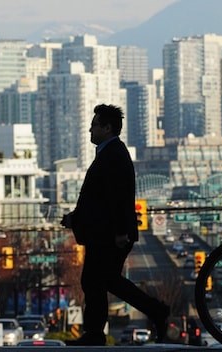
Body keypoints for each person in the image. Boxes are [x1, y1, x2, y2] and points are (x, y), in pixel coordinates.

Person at [61, 104, 170, 346]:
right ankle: (151, 313)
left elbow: (120, 196)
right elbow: (96, 199)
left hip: (111, 235)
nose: (90, 129)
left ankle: (96, 334)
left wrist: (121, 231)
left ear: (108, 128)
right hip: (104, 233)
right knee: (101, 280)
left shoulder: (115, 154)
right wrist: (74, 218)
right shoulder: (108, 153)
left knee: (95, 280)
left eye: (95, 124)